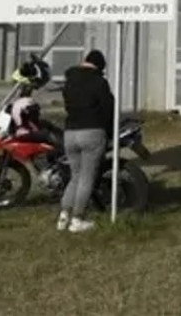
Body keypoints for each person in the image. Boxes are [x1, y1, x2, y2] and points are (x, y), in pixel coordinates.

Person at [58, 49, 114, 233]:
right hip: (92, 132)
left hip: (70, 133)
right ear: (99, 66)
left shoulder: (69, 82)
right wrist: (109, 131)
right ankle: (77, 219)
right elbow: (108, 108)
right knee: (86, 177)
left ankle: (63, 215)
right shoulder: (99, 82)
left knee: (74, 176)